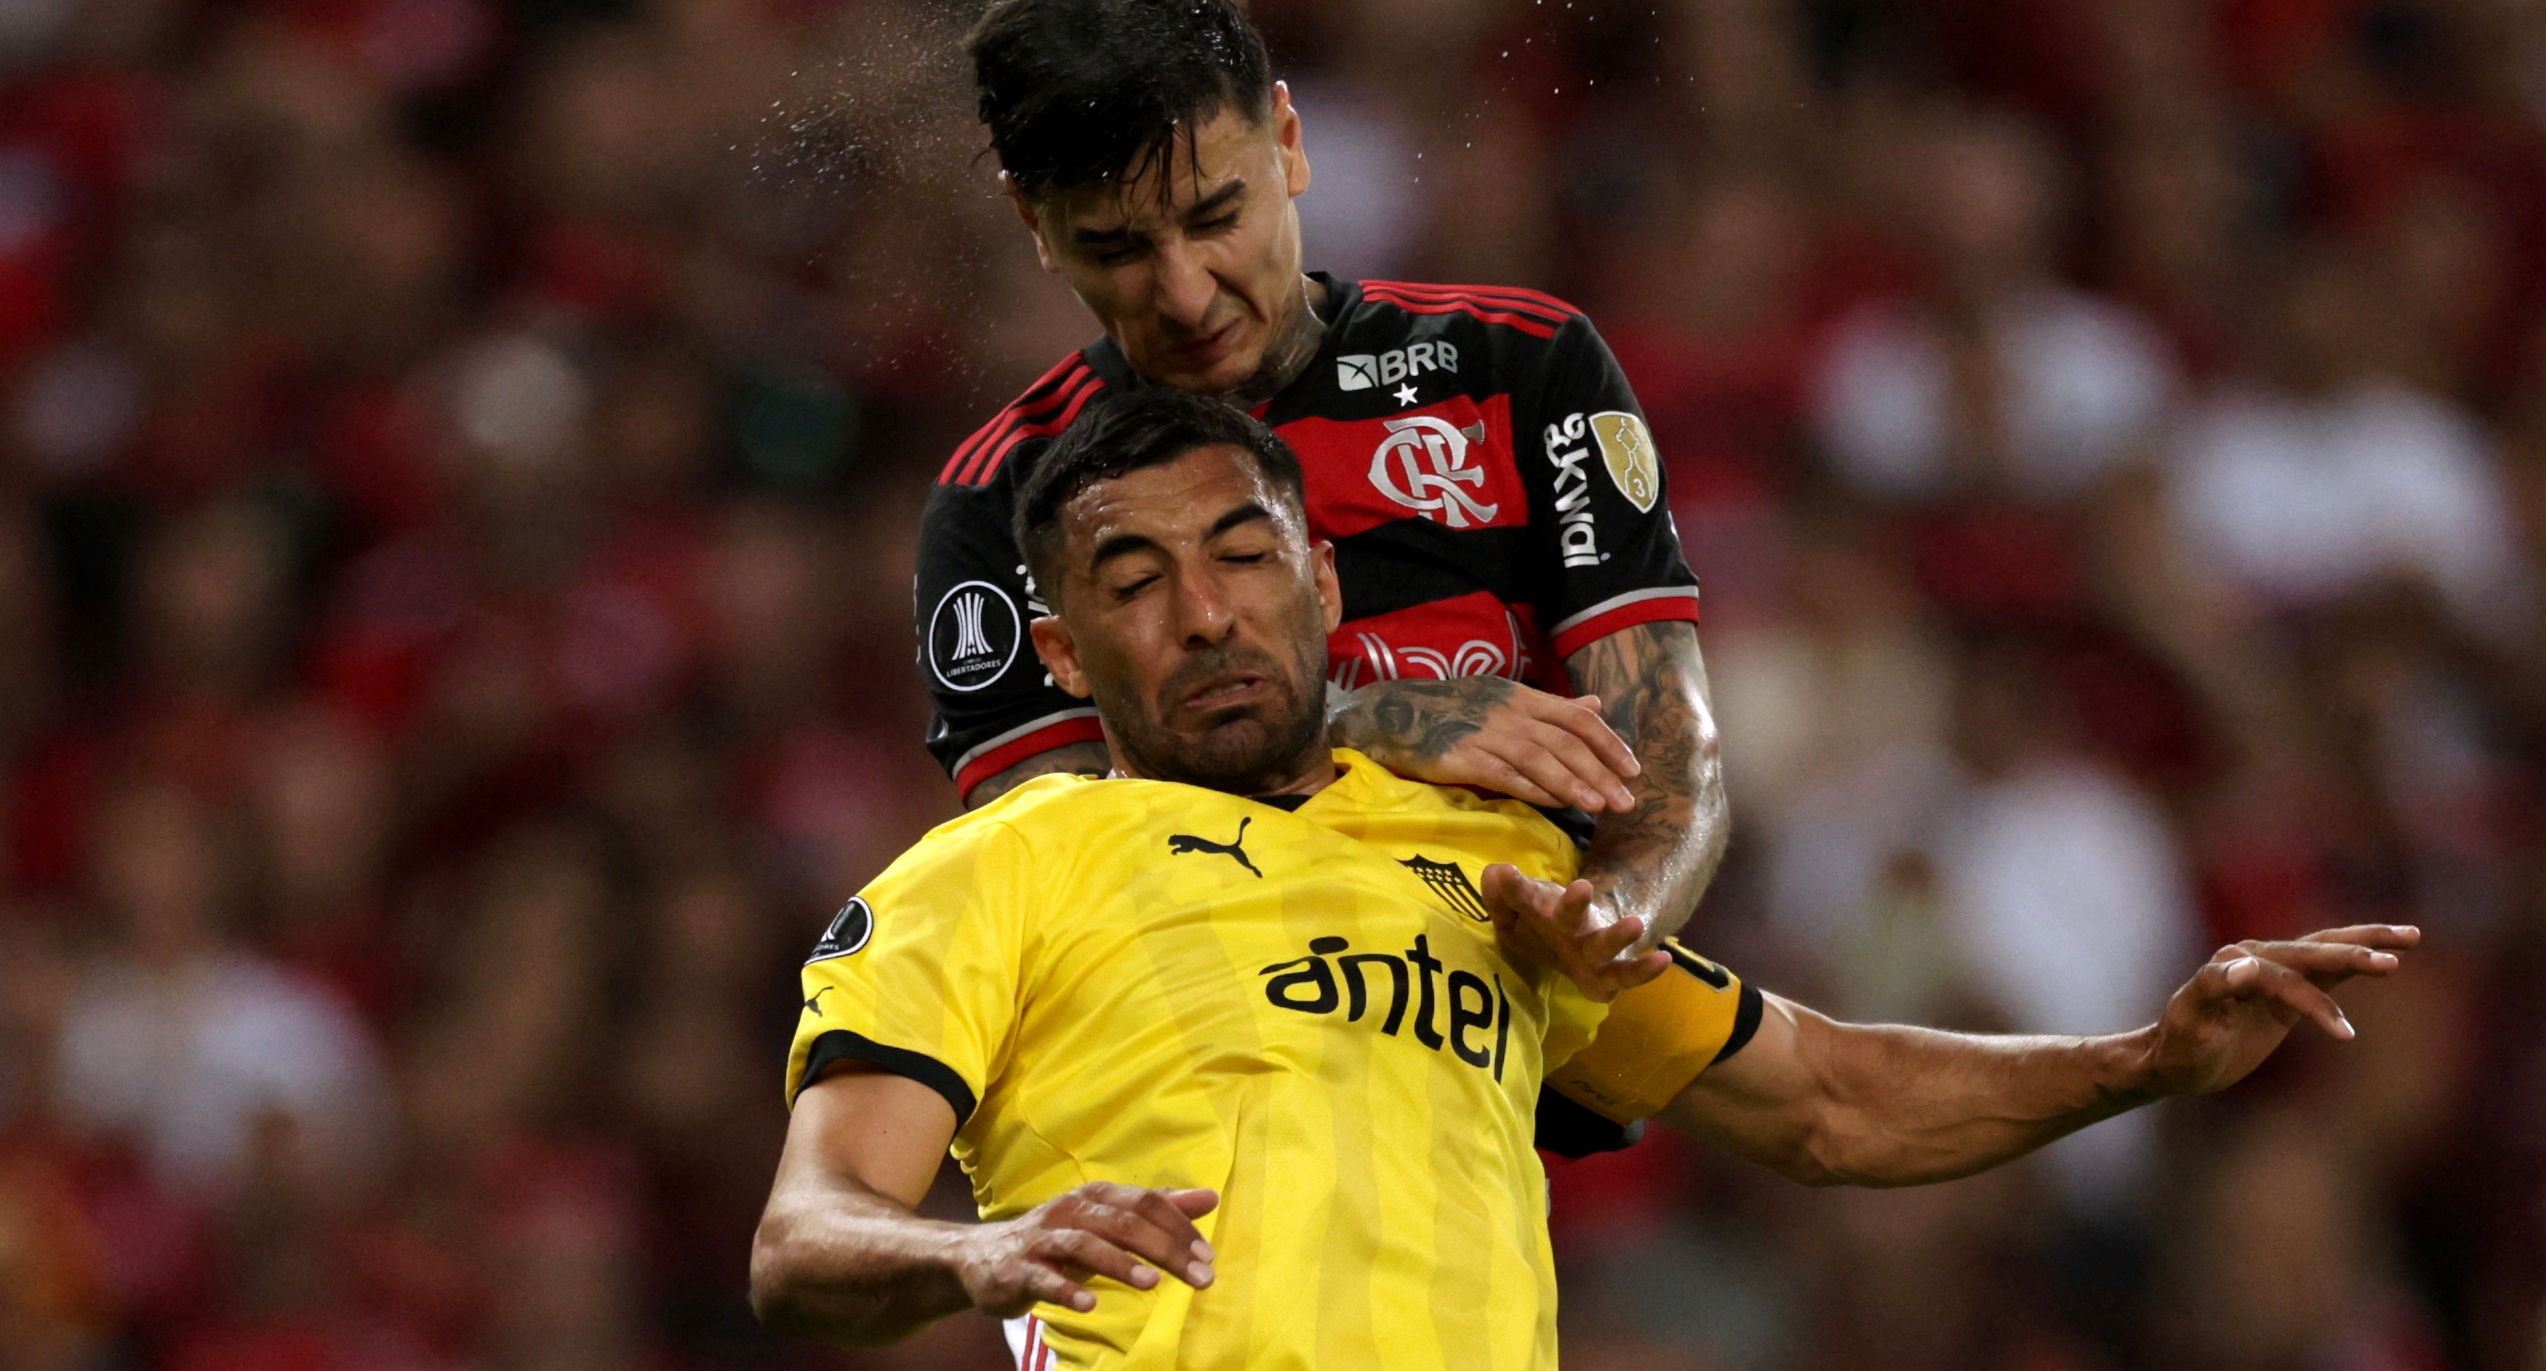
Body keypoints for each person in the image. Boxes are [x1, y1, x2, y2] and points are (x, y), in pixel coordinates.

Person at [754, 390, 2417, 1369]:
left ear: (1322, 578)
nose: (1204, 613)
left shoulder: (1491, 869)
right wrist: (984, 1251)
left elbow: (1826, 1098)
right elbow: (806, 1236)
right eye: (1133, 581)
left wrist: (2139, 1059)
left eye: (1244, 556)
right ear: (1058, 650)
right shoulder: (999, 870)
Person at [918, 0, 1723, 997]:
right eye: (1117, 250)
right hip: (1231, 1023)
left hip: (1534, 998)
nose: (1186, 294)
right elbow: (1056, 868)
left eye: (1216, 217)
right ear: (1037, 226)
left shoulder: (1519, 368)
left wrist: (1604, 916)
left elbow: (1669, 749)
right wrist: (1370, 719)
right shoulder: (1004, 494)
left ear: (1290, 144)